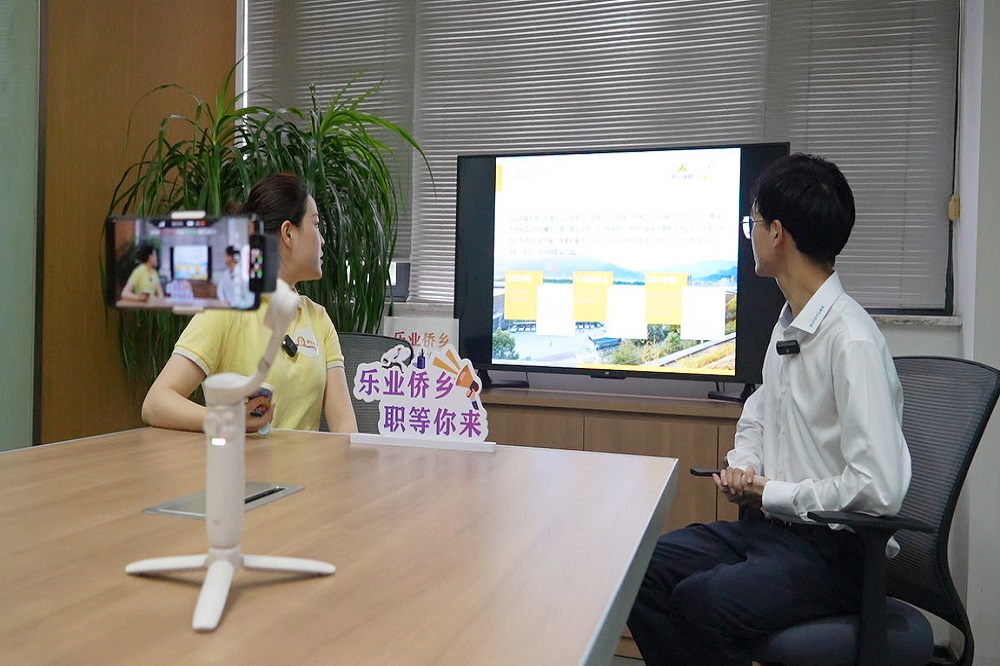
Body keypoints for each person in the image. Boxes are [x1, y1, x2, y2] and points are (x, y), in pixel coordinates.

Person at [627, 153, 912, 666]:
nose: (751, 235)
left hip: (835, 554)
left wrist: (770, 491)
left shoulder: (851, 339)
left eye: (753, 223)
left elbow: (878, 488)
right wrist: (746, 466)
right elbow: (758, 415)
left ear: (777, 234)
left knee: (700, 602)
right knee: (637, 569)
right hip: (770, 533)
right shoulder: (788, 324)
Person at [142, 173, 359, 434]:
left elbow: (345, 427)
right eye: (315, 224)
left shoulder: (318, 319)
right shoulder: (226, 310)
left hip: (307, 463)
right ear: (288, 233)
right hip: (243, 461)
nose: (322, 240)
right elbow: (156, 403)